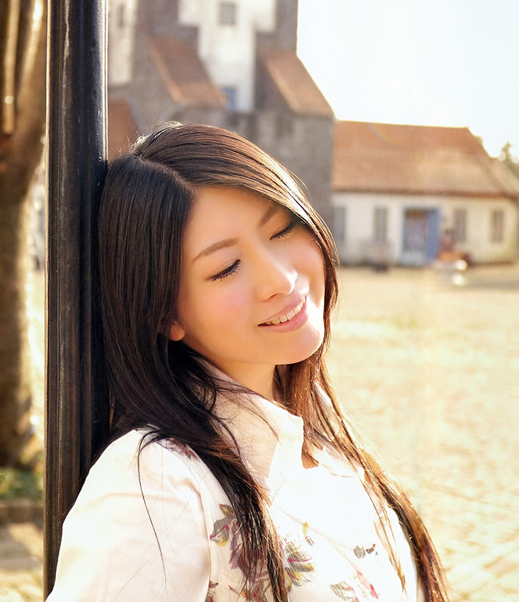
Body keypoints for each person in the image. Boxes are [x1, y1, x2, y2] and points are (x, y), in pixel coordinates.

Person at [47, 123, 449, 602]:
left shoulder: (323, 437)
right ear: (164, 313)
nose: (280, 279)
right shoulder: (156, 488)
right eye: (226, 268)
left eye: (282, 229)